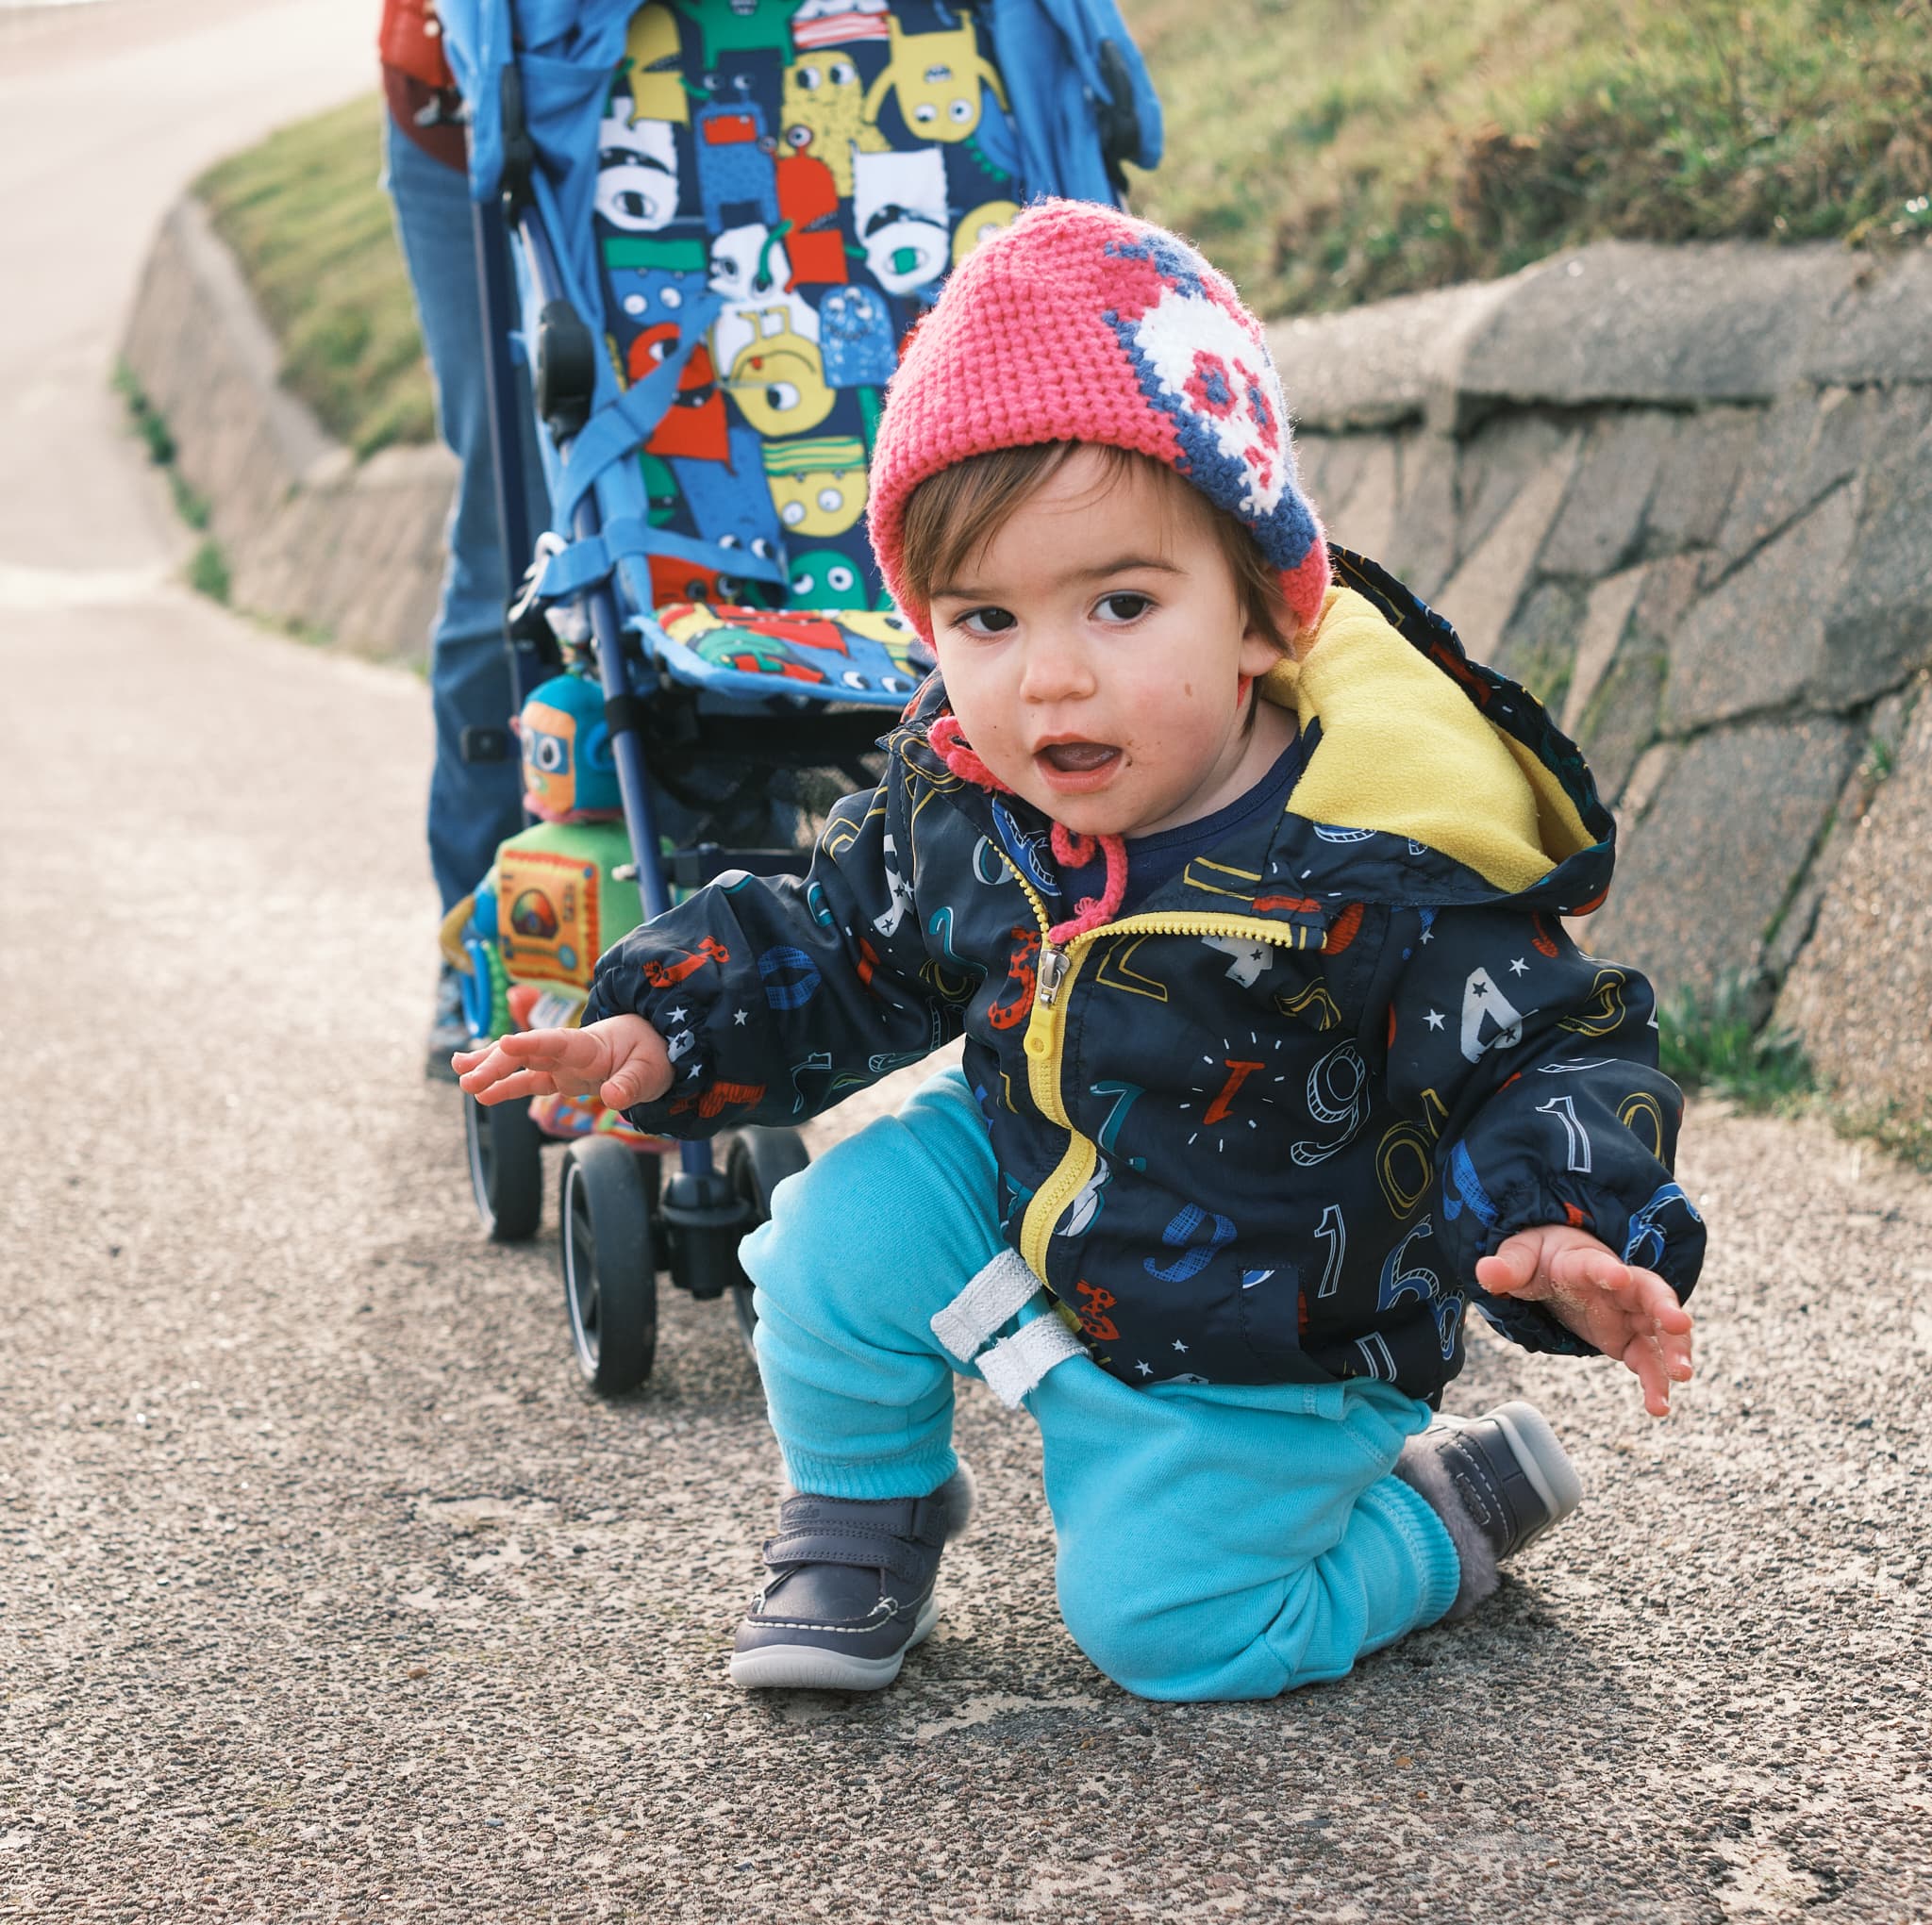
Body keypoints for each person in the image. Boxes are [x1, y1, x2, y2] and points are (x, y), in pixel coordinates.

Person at [455, 202, 1706, 1702]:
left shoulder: (1377, 849)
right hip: (1024, 1178)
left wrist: (1564, 1218)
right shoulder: (969, 790)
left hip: (1269, 1324)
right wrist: (659, 1030)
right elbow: (841, 938)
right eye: (984, 618)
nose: (1050, 675)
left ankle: (1437, 1520)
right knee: (832, 1244)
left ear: (1261, 607)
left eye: (1121, 602)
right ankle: (868, 1508)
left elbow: (1550, 1044)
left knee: (1170, 1631)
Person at [380, 0, 551, 1075]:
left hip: (726, 81)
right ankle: (484, 943)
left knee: (717, 509)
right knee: (510, 526)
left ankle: (741, 915)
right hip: (470, 100)